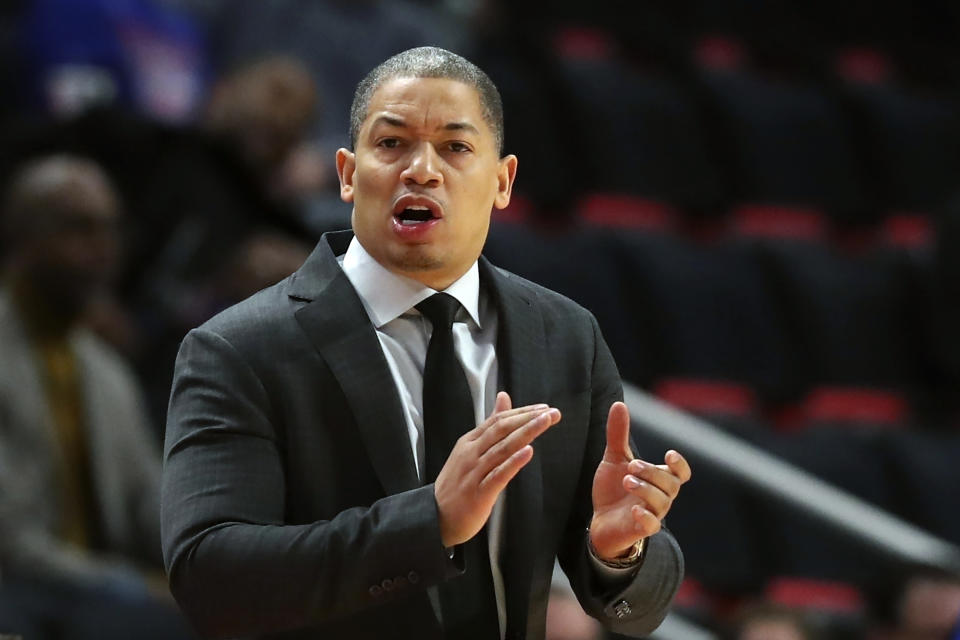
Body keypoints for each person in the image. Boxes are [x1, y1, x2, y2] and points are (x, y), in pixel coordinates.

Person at [161, 46, 689, 639]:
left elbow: (638, 606)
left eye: (456, 147)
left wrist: (617, 551)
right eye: (391, 144)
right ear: (347, 173)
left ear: (502, 181)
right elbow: (209, 579)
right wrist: (429, 522)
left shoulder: (565, 336)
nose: (422, 169)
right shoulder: (239, 348)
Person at [0, 155, 192, 639]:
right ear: (24, 236)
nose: (104, 249)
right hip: (20, 591)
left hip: (92, 595)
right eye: (80, 229)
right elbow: (12, 544)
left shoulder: (106, 371)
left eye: (110, 230)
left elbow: (150, 508)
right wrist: (141, 588)